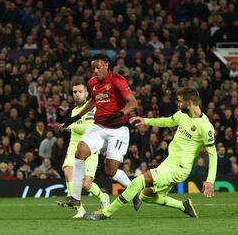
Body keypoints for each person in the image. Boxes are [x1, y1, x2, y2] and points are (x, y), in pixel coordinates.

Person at [86, 87, 218, 220]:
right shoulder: (183, 114)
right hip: (169, 162)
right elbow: (168, 121)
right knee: (146, 196)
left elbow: (213, 154)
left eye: (180, 101)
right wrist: (146, 121)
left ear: (189, 102)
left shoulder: (205, 127)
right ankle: (184, 206)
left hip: (179, 168)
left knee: (138, 182)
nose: (178, 104)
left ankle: (106, 212)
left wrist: (210, 180)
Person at [56, 54, 141, 211]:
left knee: (111, 171)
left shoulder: (117, 80)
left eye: (98, 67)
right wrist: (74, 118)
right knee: (80, 152)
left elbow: (133, 102)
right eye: (93, 68)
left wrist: (121, 113)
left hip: (118, 130)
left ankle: (134, 190)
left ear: (107, 65)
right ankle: (75, 198)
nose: (95, 70)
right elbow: (93, 101)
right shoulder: (92, 83)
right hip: (99, 127)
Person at [55, 83, 110, 218]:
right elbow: (76, 129)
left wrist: (69, 125)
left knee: (86, 184)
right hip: (74, 147)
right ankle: (80, 210)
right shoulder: (74, 111)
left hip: (89, 147)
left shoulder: (92, 109)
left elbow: (89, 128)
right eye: (74, 92)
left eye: (80, 91)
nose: (77, 94)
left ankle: (104, 198)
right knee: (68, 172)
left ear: (86, 94)